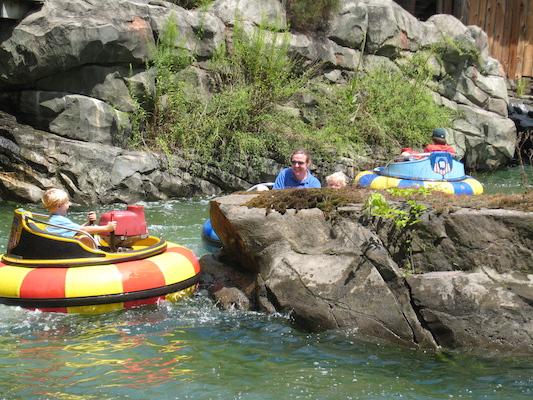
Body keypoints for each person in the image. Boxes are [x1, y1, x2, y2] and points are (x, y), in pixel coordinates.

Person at [41, 188, 117, 247]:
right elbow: (82, 230)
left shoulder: (54, 218)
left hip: (61, 244)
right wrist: (107, 228)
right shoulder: (59, 220)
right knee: (86, 239)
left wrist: (89, 222)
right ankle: (95, 256)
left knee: (84, 237)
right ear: (59, 205)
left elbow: (77, 230)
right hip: (62, 248)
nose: (68, 206)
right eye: (67, 203)